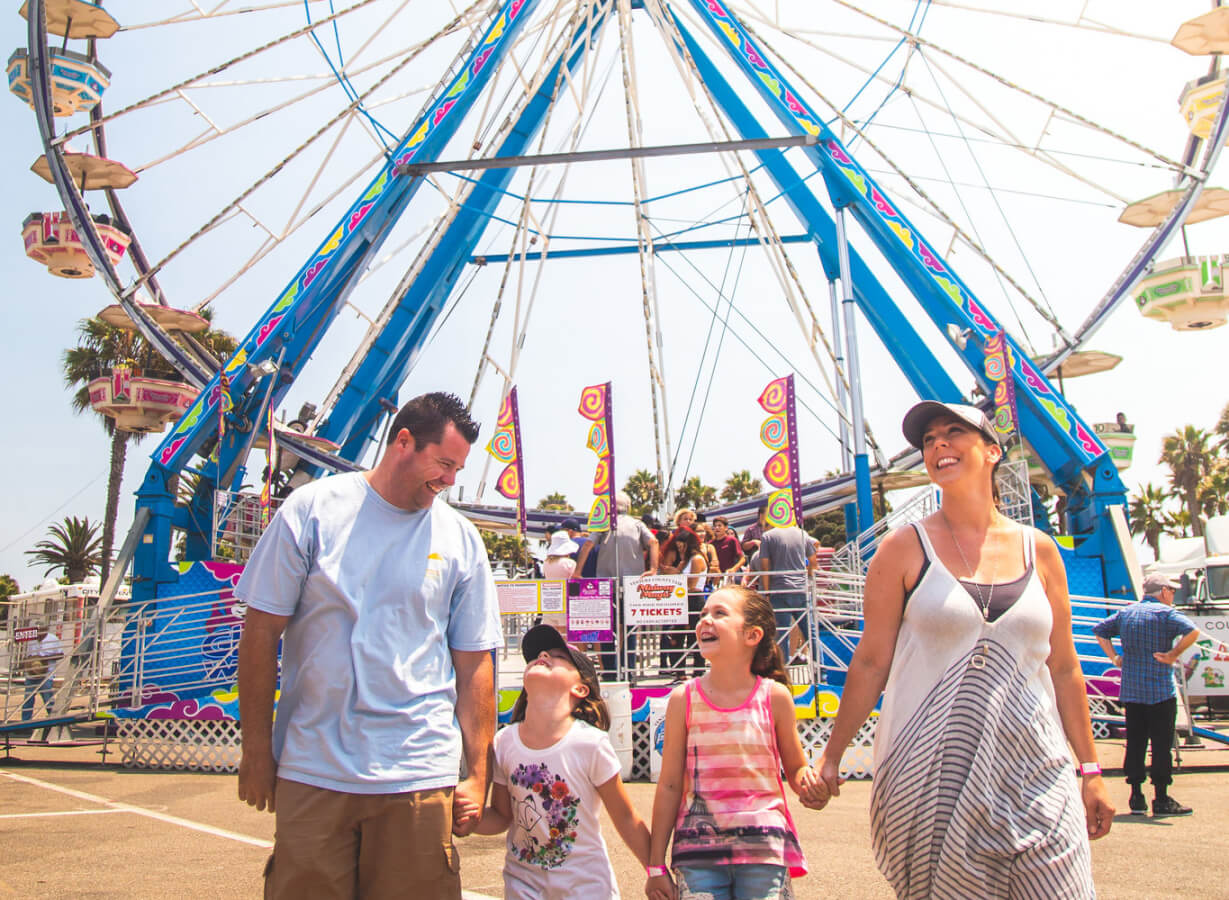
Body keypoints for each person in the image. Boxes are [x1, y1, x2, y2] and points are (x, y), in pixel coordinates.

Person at [815, 401, 1113, 899]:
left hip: (1038, 773)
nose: (938, 445)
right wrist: (832, 756)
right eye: (929, 440)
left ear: (993, 451)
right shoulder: (902, 549)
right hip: (931, 782)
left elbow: (1064, 669)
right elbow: (870, 662)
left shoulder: (1039, 549)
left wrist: (1092, 769)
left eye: (954, 433)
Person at [235, 392, 501, 899]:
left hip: (418, 774)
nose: (449, 481)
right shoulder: (311, 511)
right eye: (444, 463)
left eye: (457, 469)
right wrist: (255, 750)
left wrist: (477, 774)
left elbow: (475, 666)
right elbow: (260, 633)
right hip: (314, 769)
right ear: (403, 441)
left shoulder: (462, 538)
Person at [646, 586, 826, 900]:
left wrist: (810, 785)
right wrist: (655, 865)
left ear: (752, 635)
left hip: (764, 851)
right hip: (697, 855)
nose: (705, 621)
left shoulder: (775, 696)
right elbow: (670, 785)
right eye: (703, 614)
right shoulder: (682, 699)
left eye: (719, 613)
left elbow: (796, 768)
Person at [473, 625, 650, 899]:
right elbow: (501, 817)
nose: (542, 655)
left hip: (587, 889)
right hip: (523, 887)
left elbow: (626, 818)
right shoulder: (504, 742)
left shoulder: (590, 743)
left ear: (580, 688)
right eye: (537, 655)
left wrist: (657, 871)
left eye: (559, 656)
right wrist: (457, 817)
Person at [1094, 572, 1200, 817]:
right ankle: (1161, 797)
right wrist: (1173, 655)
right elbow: (1192, 632)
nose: (1172, 595)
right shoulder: (1166, 614)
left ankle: (1136, 795)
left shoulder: (1127, 612)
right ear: (1163, 591)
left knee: (1136, 742)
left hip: (1132, 691)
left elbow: (1100, 631)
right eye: (1171, 591)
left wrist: (1114, 657)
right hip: (1160, 690)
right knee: (1161, 744)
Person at [576, 492, 659, 674]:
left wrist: (578, 571)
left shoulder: (604, 524)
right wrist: (653, 568)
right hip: (633, 584)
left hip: (606, 583)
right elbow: (653, 541)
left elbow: (588, 545)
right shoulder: (637, 524)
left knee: (606, 629)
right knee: (629, 630)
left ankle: (610, 671)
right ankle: (628, 669)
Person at [758, 521, 817, 659]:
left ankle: (783, 672)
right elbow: (813, 563)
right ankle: (823, 670)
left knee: (781, 636)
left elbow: (764, 567)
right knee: (811, 633)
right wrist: (806, 578)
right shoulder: (803, 534)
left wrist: (767, 593)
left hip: (779, 590)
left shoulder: (767, 536)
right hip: (801, 590)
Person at [660, 528, 709, 676]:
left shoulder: (697, 559)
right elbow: (674, 572)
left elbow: (692, 584)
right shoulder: (686, 560)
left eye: (682, 546)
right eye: (678, 546)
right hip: (683, 599)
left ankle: (698, 671)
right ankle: (679, 672)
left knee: (694, 637)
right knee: (676, 636)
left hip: (694, 598)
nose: (680, 549)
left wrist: (676, 575)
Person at [22, 626, 63, 741]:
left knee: (48, 698)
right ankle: (25, 723)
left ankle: (53, 721)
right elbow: (29, 655)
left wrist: (44, 658)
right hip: (32, 673)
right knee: (28, 698)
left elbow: (60, 654)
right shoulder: (31, 640)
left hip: (46, 674)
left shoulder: (53, 639)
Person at [541, 530, 579, 634]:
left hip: (549, 602)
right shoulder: (570, 563)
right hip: (564, 602)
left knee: (552, 635)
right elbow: (575, 580)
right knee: (565, 635)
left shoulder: (546, 563)